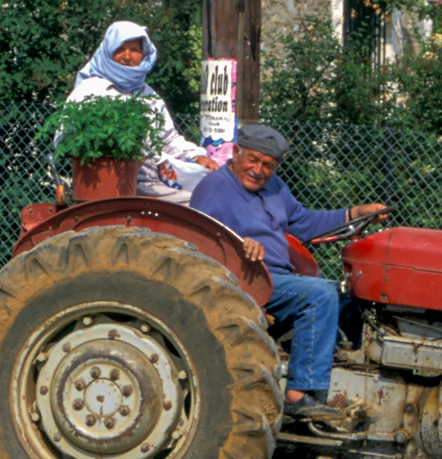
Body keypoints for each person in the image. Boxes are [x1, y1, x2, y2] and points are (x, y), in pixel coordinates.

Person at [190, 124, 388, 422]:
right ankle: (299, 394)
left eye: (267, 164)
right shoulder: (214, 188)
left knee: (349, 294)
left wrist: (354, 213)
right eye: (252, 160)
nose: (258, 170)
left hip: (280, 278)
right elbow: (201, 239)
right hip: (246, 280)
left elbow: (305, 222)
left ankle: (340, 375)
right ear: (235, 153)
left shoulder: (276, 188)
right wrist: (239, 244)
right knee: (319, 296)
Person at [63, 21, 218, 202]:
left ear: (144, 54)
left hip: (154, 180)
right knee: (195, 206)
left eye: (135, 50)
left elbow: (168, 139)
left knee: (211, 197)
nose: (127, 56)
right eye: (120, 48)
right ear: (108, 51)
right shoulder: (90, 89)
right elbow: (65, 138)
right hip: (107, 182)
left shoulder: (148, 94)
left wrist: (195, 155)